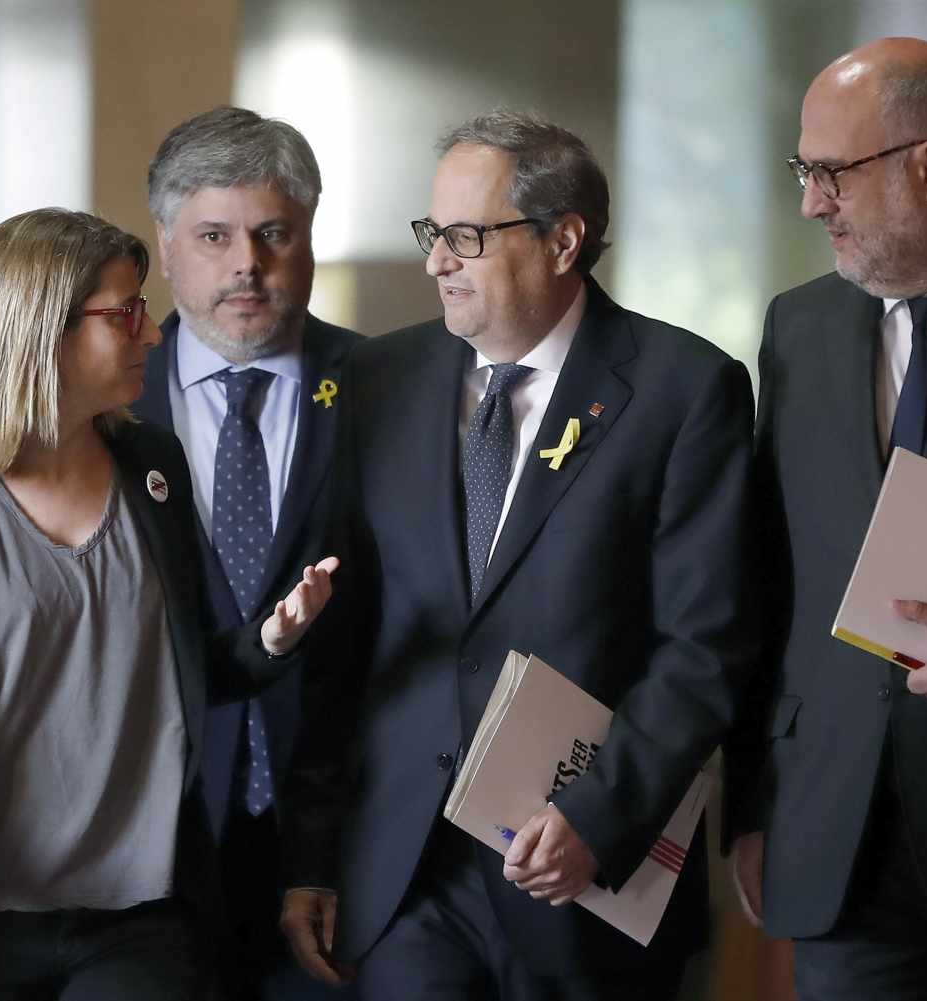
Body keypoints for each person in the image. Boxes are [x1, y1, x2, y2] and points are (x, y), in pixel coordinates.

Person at [277, 110, 759, 1001]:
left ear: (563, 240)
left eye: (465, 235)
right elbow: (343, 645)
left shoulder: (684, 390)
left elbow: (706, 644)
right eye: (433, 234)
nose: (435, 262)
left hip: (582, 876)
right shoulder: (380, 381)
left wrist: (598, 813)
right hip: (407, 872)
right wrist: (313, 852)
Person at [0, 208, 336, 999]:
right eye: (125, 312)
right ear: (40, 327)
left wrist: (269, 638)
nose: (152, 333)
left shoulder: (152, 466)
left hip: (139, 916)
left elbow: (187, 669)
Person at [724, 37, 927, 1001]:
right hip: (841, 839)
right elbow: (764, 578)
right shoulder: (800, 325)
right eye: (803, 172)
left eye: (829, 173)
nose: (811, 202)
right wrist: (754, 802)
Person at [134, 106, 359, 1001]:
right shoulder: (101, 406)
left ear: (306, 238)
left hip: (336, 834)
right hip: (151, 843)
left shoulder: (393, 389)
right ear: (165, 243)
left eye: (274, 234)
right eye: (215, 235)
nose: (246, 265)